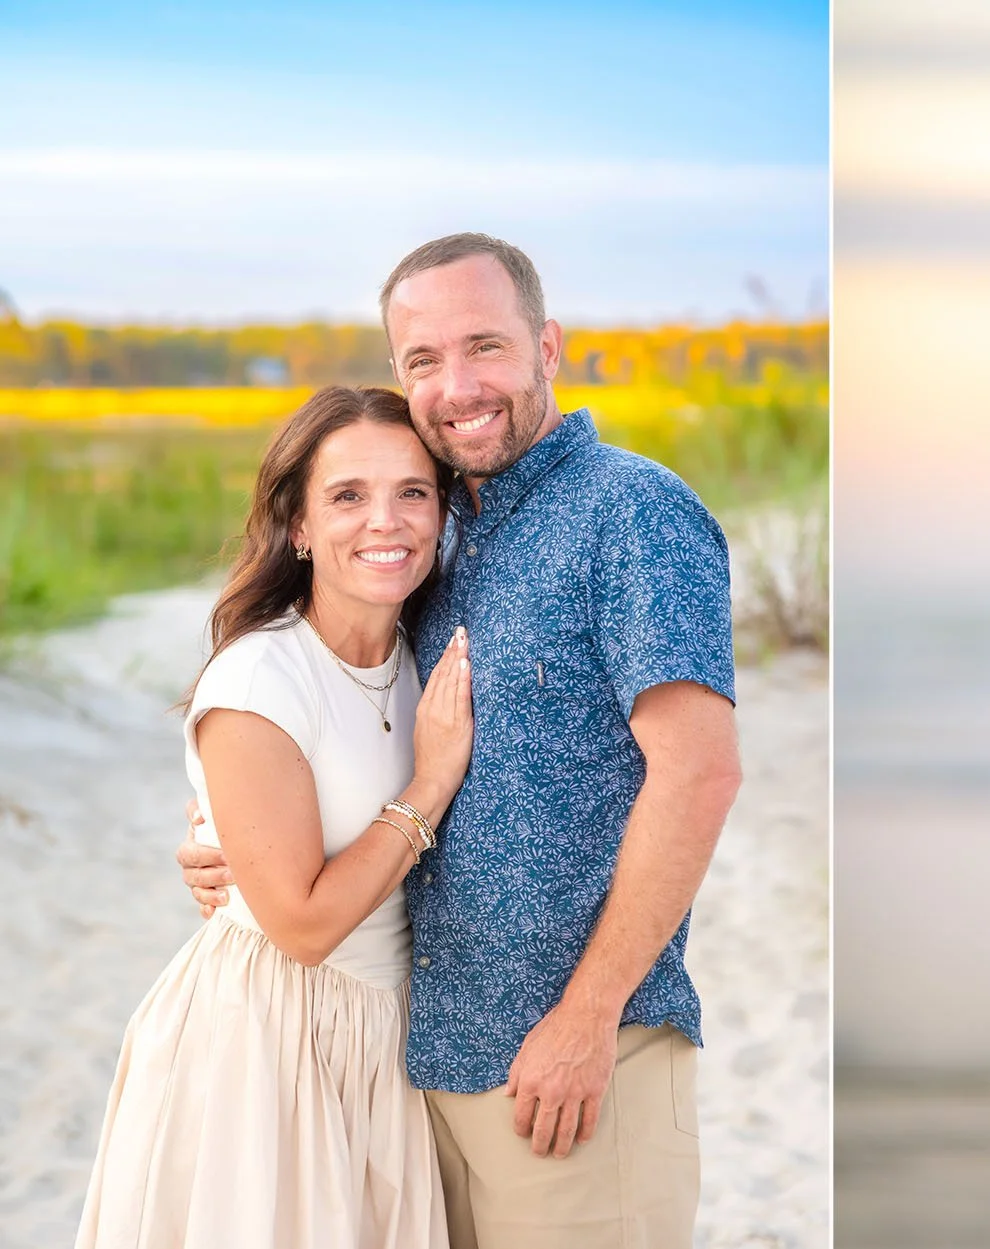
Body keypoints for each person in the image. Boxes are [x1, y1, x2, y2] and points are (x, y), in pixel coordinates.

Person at [179, 233, 743, 1247]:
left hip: (575, 1071)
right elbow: (336, 721)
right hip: (426, 1069)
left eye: (484, 345)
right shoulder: (434, 539)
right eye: (423, 361)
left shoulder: (634, 512)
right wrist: (231, 840)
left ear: (549, 346)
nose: (458, 387)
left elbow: (699, 773)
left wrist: (587, 1018)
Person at [80, 386, 470, 1246]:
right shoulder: (261, 678)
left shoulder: (421, 650)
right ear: (296, 524)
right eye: (347, 495)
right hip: (268, 1040)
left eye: (413, 491)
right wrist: (429, 786)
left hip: (381, 1039)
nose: (387, 521)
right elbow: (300, 923)